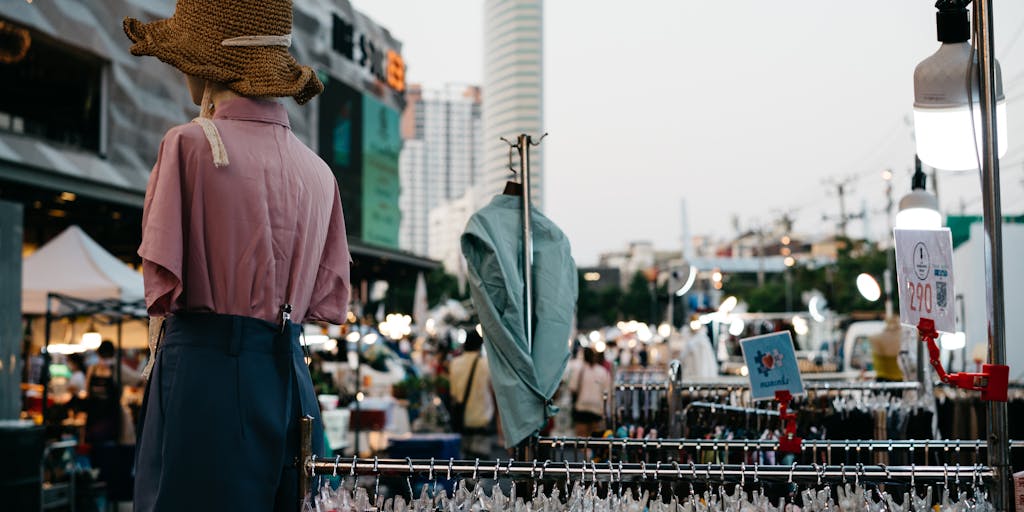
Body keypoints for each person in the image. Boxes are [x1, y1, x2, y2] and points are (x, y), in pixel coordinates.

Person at [123, 1, 350, 509]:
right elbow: (327, 299)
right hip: (292, 375)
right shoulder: (319, 172)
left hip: (206, 375)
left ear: (204, 66)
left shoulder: (188, 146)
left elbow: (162, 288)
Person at [449, 329, 496, 458]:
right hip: (482, 419)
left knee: (464, 463)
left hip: (461, 419)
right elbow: (493, 392)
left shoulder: (454, 363)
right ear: (480, 345)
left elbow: (453, 393)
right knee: (480, 464)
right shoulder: (486, 364)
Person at [568, 347, 611, 438]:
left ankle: (585, 452)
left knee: (581, 437)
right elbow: (607, 391)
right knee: (594, 437)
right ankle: (590, 452)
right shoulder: (602, 371)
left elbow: (572, 388)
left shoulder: (579, 370)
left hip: (582, 407)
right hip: (597, 408)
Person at [84, 341, 119, 445]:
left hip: (109, 417)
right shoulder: (92, 369)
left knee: (107, 449)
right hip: (93, 416)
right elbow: (87, 391)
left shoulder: (116, 370)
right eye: (102, 357)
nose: (104, 360)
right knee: (93, 449)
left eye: (107, 357)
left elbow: (137, 379)